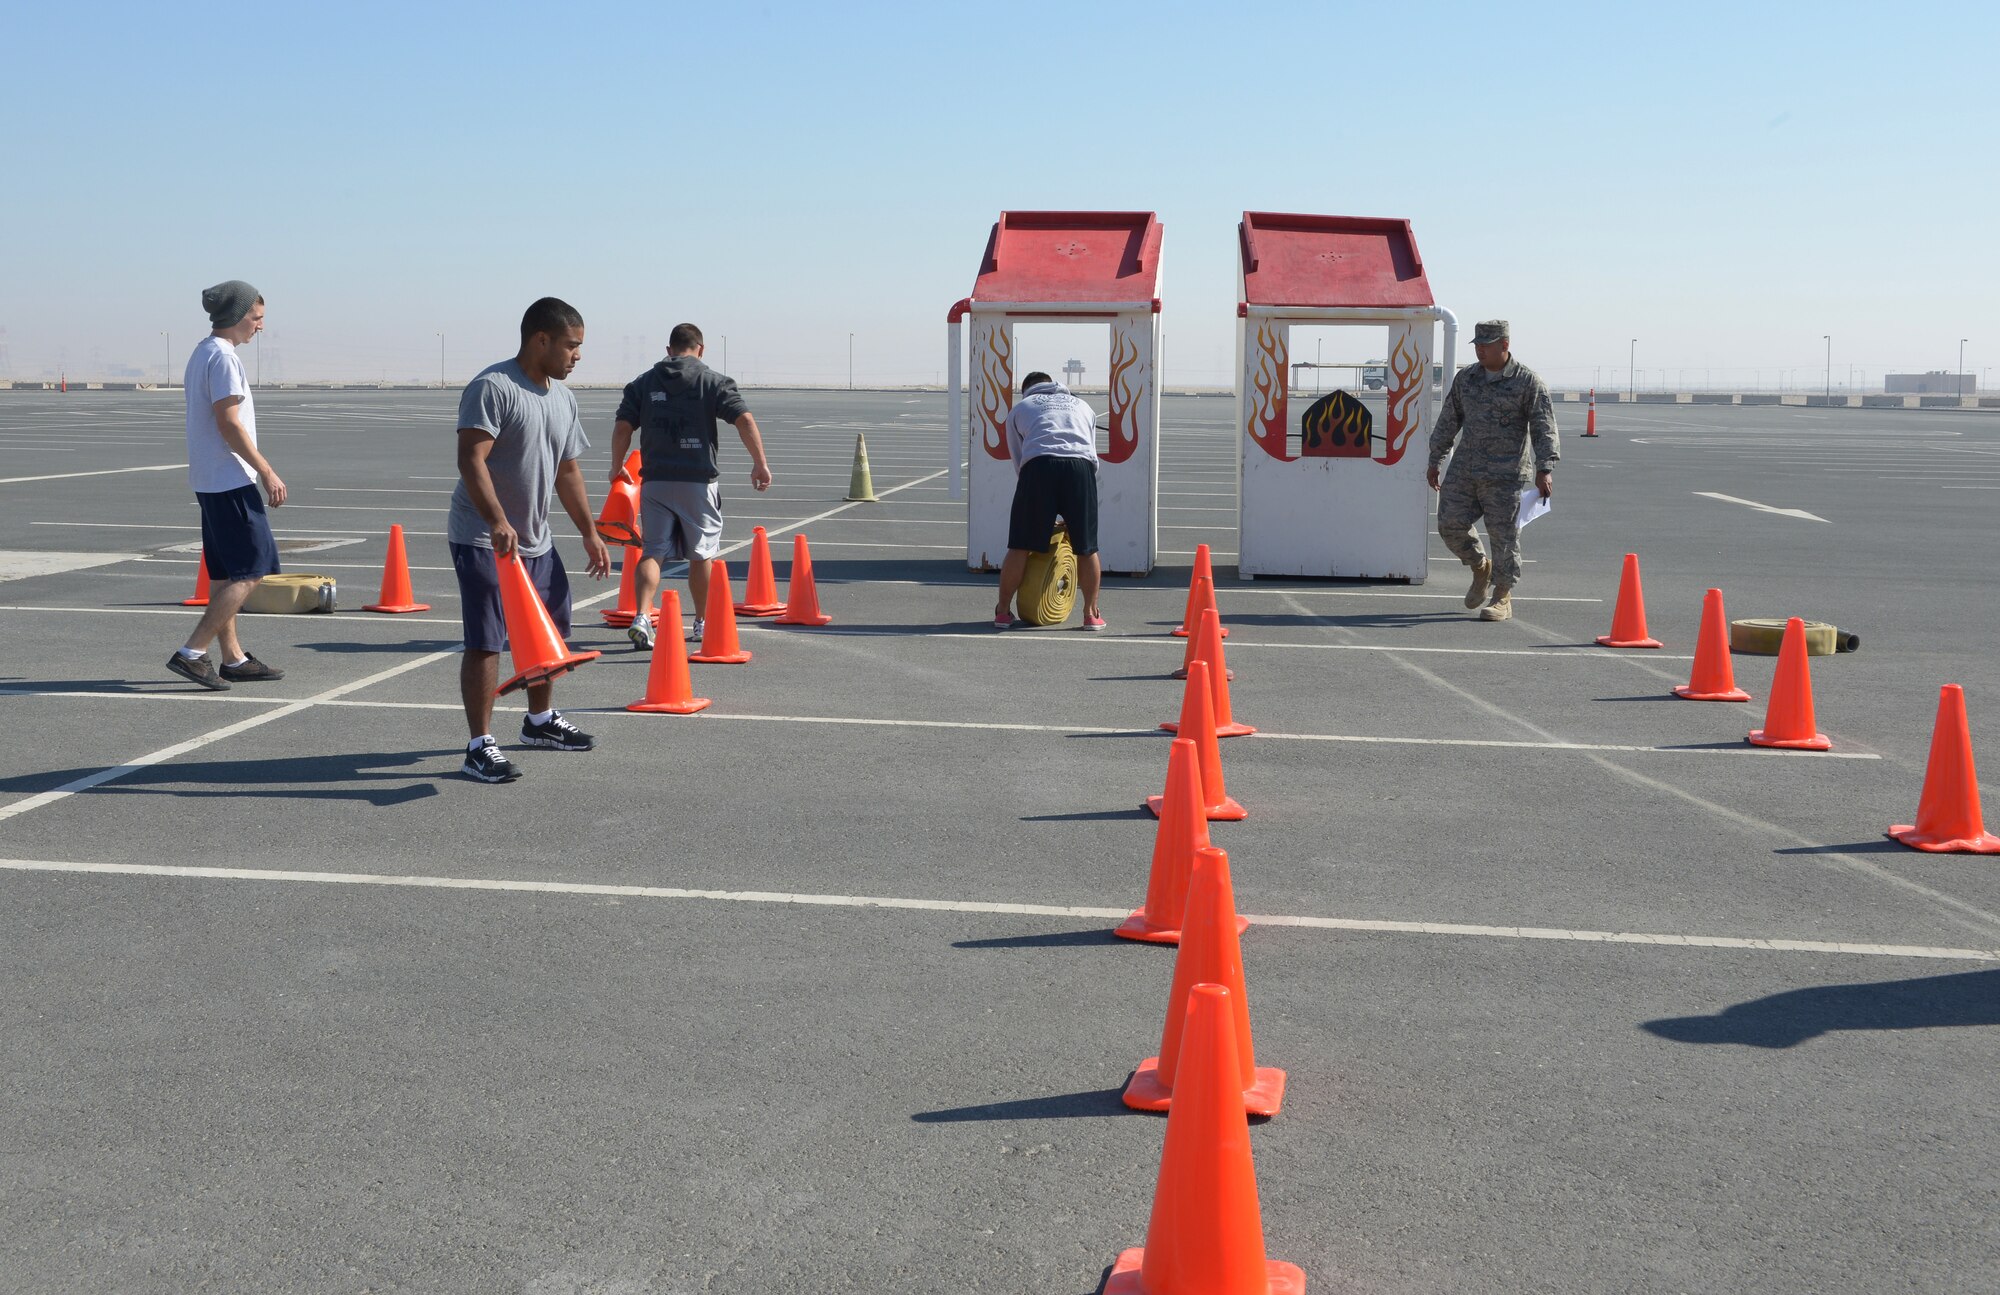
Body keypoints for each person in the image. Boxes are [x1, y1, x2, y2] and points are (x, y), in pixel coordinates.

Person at [447, 297, 611, 783]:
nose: (577, 356)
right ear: (541, 339)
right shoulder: (493, 387)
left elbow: (568, 470)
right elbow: (470, 460)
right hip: (482, 536)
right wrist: (497, 520)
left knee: (551, 637)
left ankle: (539, 723)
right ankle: (479, 746)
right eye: (571, 346)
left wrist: (590, 532)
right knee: (486, 641)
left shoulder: (562, 398)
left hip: (536, 541)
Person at [608, 323, 771, 650]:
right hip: (698, 481)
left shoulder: (643, 383)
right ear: (701, 349)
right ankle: (701, 622)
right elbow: (745, 420)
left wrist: (616, 467)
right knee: (701, 555)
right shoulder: (712, 381)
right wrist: (760, 462)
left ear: (669, 350)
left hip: (655, 480)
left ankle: (641, 615)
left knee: (653, 551)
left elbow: (623, 426)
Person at [166, 280, 286, 690]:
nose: (260, 326)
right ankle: (192, 652)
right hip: (229, 479)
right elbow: (229, 423)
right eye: (256, 318)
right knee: (253, 569)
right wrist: (266, 470)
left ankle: (232, 658)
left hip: (210, 479)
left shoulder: (203, 353)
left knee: (224, 574)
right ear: (236, 317)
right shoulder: (224, 359)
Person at [1426, 320, 1558, 623]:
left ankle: (1502, 596)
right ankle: (1479, 566)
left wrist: (1545, 468)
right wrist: (1436, 458)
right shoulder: (1467, 379)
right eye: (1478, 344)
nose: (1481, 350)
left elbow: (1543, 427)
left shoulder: (1527, 381)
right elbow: (1449, 419)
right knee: (1449, 524)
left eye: (1487, 344)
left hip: (1505, 473)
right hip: (1465, 468)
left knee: (1504, 536)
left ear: (1504, 345)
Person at [993, 371, 1105, 630]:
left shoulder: (1021, 408)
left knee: (1020, 545)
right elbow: (1091, 453)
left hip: (1038, 466)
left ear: (1027, 390)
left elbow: (1020, 461)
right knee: (1087, 547)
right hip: (1080, 468)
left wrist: (1040, 506)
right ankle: (1091, 614)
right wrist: (1074, 503)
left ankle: (1003, 612)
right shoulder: (1083, 406)